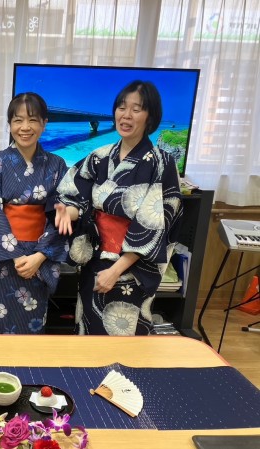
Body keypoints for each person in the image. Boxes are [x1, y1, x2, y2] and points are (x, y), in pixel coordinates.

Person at [55, 80, 183, 335]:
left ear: (150, 117)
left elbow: (156, 224)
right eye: (122, 107)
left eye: (136, 109)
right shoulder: (100, 156)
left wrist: (115, 271)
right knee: (88, 331)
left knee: (124, 336)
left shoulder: (162, 163)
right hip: (95, 263)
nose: (126, 115)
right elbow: (75, 195)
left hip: (131, 269)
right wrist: (67, 212)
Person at [0, 92, 69, 334]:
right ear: (9, 124)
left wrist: (40, 256)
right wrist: (16, 257)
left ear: (44, 124)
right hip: (3, 261)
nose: (25, 127)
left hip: (38, 259)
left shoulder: (57, 165)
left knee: (31, 330)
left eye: (33, 120)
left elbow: (60, 214)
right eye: (18, 120)